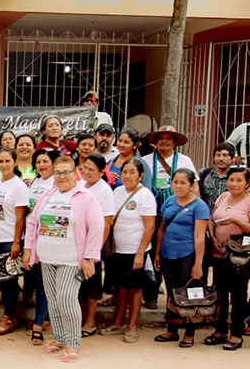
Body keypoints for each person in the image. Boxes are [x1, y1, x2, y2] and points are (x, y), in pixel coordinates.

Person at [24, 155, 104, 363]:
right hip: (47, 257)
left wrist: (89, 258)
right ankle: (59, 338)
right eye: (57, 173)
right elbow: (33, 223)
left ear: (74, 173)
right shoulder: (47, 196)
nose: (61, 177)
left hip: (72, 259)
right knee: (53, 299)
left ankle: (73, 343)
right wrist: (28, 249)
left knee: (67, 299)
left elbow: (97, 227)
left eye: (66, 172)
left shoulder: (86, 197)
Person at [203, 166, 250, 351]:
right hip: (218, 253)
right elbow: (212, 219)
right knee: (220, 292)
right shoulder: (222, 197)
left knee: (238, 295)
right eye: (231, 180)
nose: (234, 184)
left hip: (240, 257)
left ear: (247, 183)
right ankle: (220, 330)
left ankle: (236, 333)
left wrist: (236, 221)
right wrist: (213, 238)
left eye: (238, 181)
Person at [100, 159, 157, 344]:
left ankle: (132, 325)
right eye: (125, 172)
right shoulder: (116, 192)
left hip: (135, 250)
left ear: (140, 175)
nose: (127, 176)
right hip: (117, 250)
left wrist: (140, 253)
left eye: (132, 172)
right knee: (120, 287)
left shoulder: (145, 195)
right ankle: (118, 322)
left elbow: (150, 227)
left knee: (134, 288)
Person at [152, 169, 210, 348]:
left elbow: (200, 237)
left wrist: (198, 263)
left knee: (189, 295)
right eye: (175, 182)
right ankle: (172, 329)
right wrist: (157, 253)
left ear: (192, 185)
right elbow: (161, 229)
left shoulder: (199, 206)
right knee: (172, 293)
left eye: (183, 183)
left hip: (188, 254)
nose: (178, 186)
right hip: (168, 254)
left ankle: (189, 333)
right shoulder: (169, 201)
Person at [0, 148, 31, 337]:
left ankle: (8, 317)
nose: (4, 164)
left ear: (14, 163)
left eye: (7, 161)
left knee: (10, 280)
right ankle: (10, 315)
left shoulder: (18, 186)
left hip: (9, 239)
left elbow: (20, 218)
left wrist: (16, 243)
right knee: (2, 281)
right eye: (0, 161)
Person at [77, 153, 116, 336]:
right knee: (79, 286)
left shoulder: (104, 191)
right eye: (85, 168)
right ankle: (81, 319)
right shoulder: (79, 185)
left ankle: (91, 322)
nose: (87, 172)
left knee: (92, 286)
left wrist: (95, 251)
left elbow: (107, 223)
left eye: (92, 170)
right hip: (77, 244)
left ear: (102, 172)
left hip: (92, 247)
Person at [22, 148, 58, 342]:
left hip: (49, 236)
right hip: (32, 235)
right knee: (37, 279)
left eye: (45, 161)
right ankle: (45, 318)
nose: (42, 165)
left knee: (43, 282)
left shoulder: (57, 183)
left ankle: (39, 322)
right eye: (38, 162)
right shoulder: (35, 182)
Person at [142, 126, 197, 206]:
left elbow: (194, 185)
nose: (164, 141)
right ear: (156, 141)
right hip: (149, 203)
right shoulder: (144, 160)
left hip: (177, 203)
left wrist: (195, 206)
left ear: (175, 142)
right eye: (161, 138)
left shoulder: (185, 160)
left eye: (168, 138)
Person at [198, 143, 235, 210]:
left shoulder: (235, 176)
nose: (221, 159)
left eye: (225, 155)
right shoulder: (203, 173)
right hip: (205, 215)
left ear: (232, 159)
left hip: (227, 216)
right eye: (218, 155)